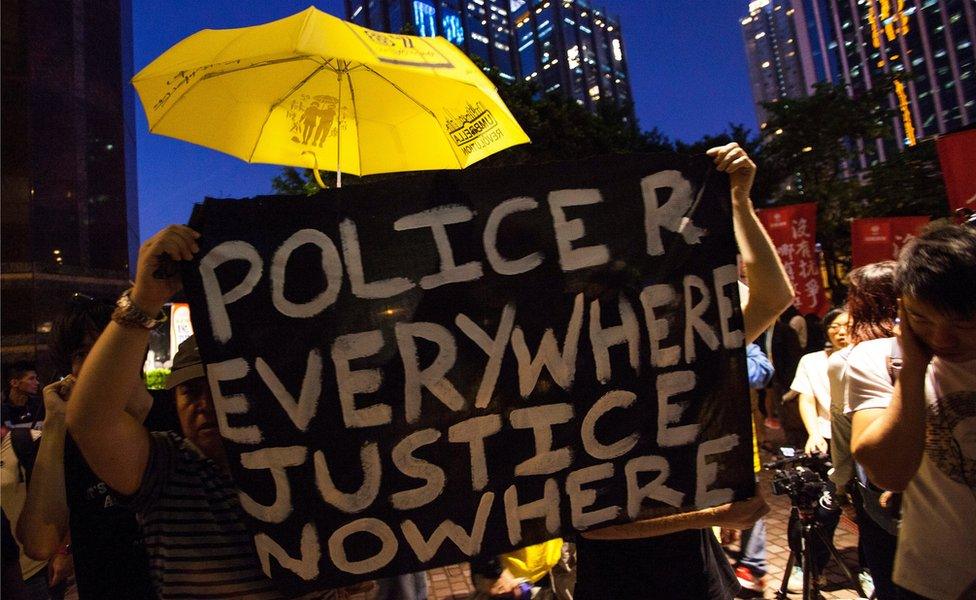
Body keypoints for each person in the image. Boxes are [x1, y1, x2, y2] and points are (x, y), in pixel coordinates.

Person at [64, 232, 356, 599]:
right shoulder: (169, 470)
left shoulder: (308, 458)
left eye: (220, 388)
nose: (204, 404)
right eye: (189, 390)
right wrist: (144, 300)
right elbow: (90, 421)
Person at [573, 142, 794, 600]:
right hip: (618, 585)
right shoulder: (567, 383)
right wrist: (714, 515)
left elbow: (773, 296)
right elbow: (590, 526)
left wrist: (739, 202)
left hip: (698, 573)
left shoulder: (683, 354)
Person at [849, 223, 976, 600]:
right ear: (902, 303)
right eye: (923, 319)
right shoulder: (877, 359)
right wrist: (913, 369)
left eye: (963, 324)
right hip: (931, 580)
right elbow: (888, 470)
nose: (942, 338)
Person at [16, 294, 155, 600]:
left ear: (137, 351)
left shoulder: (177, 415)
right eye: (82, 353)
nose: (97, 362)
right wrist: (55, 422)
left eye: (108, 345)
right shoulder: (69, 440)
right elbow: (39, 544)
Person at [828, 261, 899, 599]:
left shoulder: (850, 359)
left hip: (878, 486)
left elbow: (845, 434)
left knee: (888, 572)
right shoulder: (940, 343)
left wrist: (841, 486)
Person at [783, 308, 849, 591]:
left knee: (867, 511)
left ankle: (869, 568)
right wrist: (813, 433)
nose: (841, 331)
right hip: (825, 440)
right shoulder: (812, 361)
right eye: (834, 326)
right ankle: (806, 564)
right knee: (814, 506)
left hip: (859, 443)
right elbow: (807, 400)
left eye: (847, 325)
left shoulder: (867, 358)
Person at [731, 343, 775, 594]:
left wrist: (725, 360)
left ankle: (753, 564)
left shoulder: (742, 337)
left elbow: (762, 373)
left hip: (738, 437)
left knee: (749, 494)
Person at [3, 362, 43, 430]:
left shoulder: (40, 404)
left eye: (36, 378)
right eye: (31, 379)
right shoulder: (3, 407)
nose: (37, 383)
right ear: (14, 383)